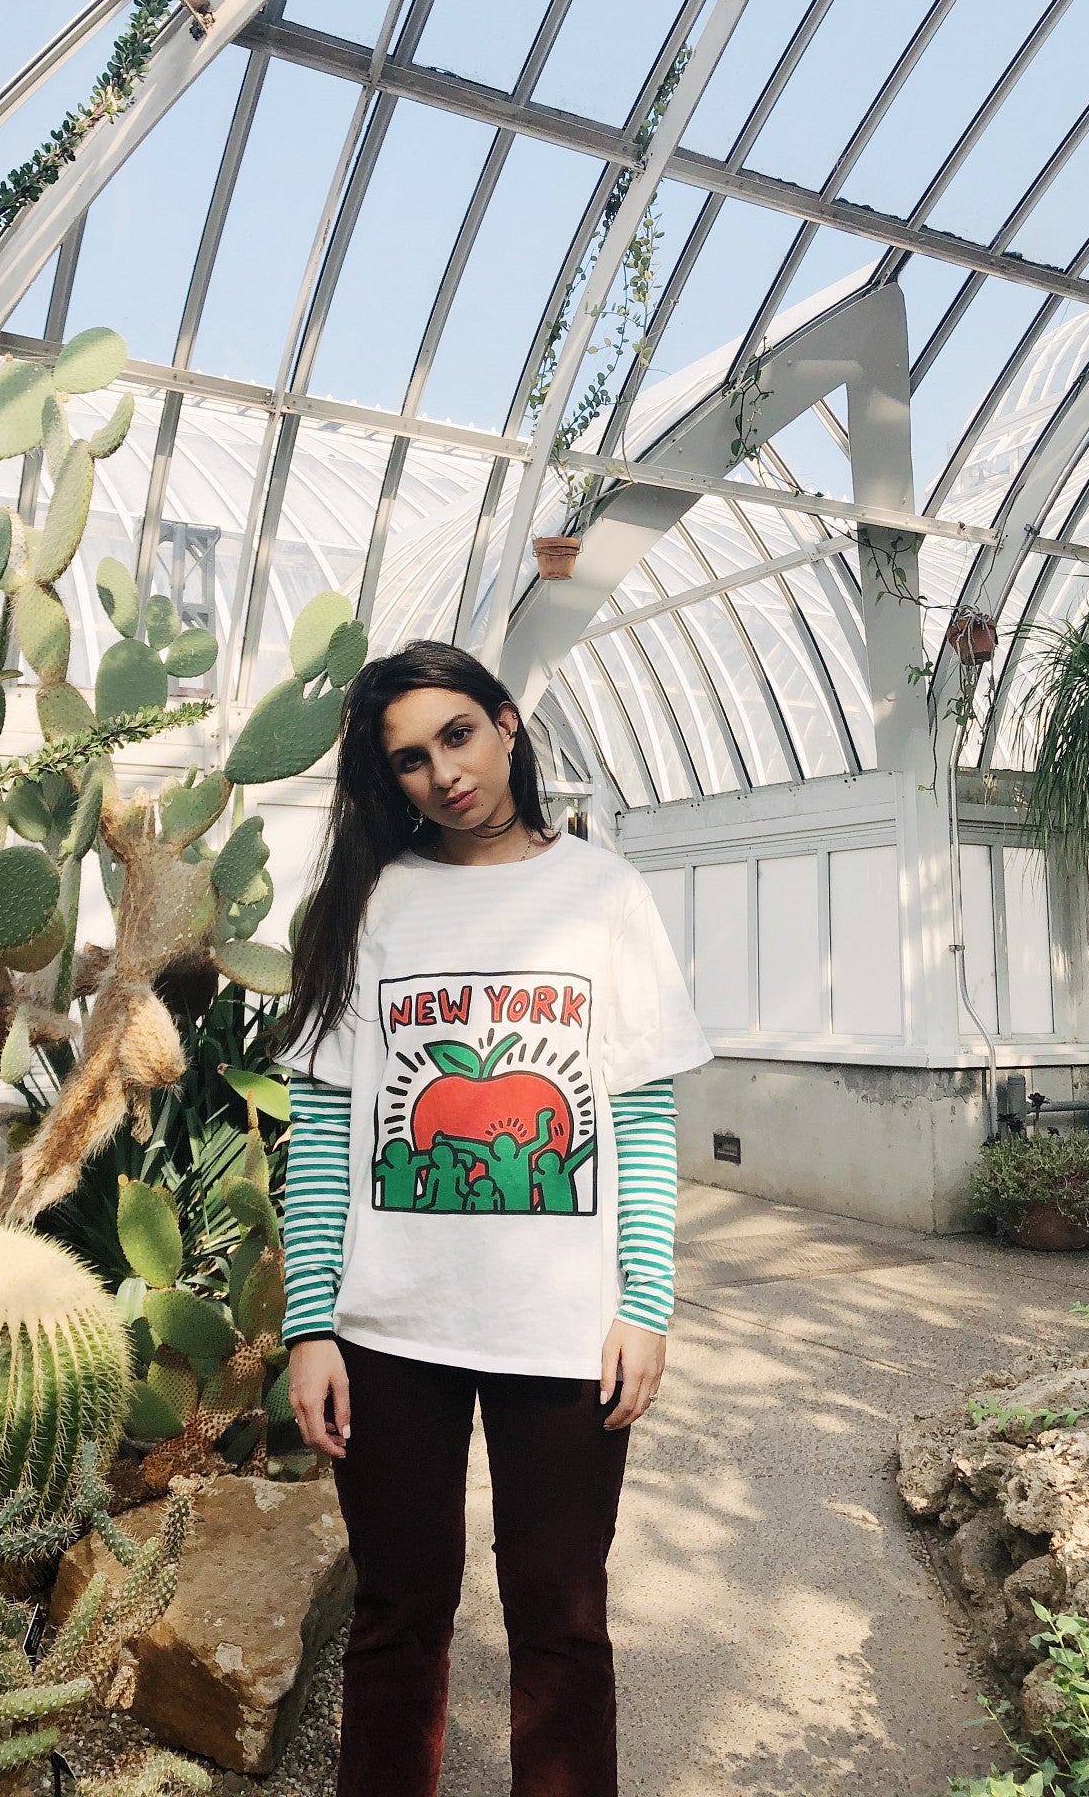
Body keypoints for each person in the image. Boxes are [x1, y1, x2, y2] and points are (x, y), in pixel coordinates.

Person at [276, 639, 712, 1797]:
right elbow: (323, 1130)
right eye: (410, 760)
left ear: (508, 723)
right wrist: (309, 1324)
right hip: (388, 1329)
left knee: (563, 1624)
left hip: (562, 1334)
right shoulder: (367, 902)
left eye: (457, 737)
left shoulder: (604, 894)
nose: (442, 776)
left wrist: (645, 1303)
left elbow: (641, 1116)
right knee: (397, 1618)